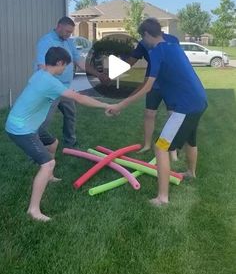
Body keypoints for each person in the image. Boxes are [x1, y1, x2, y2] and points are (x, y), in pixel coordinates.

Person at [107, 18, 207, 206]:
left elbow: (147, 87)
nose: (142, 41)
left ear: (146, 34)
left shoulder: (156, 52)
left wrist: (121, 105)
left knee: (160, 147)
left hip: (185, 106)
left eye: (141, 37)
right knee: (190, 139)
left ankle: (162, 198)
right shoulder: (173, 45)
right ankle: (191, 173)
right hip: (199, 100)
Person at [5, 47, 112, 222]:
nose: (65, 70)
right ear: (60, 63)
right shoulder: (49, 81)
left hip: (28, 124)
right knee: (47, 163)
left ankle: (49, 176)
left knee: (53, 143)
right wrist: (105, 105)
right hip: (21, 129)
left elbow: (68, 93)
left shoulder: (41, 73)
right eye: (66, 67)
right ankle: (33, 210)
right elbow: (78, 99)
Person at [35, 16, 108, 148]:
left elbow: (79, 61)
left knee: (71, 114)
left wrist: (98, 74)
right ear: (59, 26)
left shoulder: (68, 42)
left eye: (71, 32)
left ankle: (70, 142)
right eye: (67, 31)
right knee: (43, 121)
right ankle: (36, 148)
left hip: (66, 88)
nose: (69, 35)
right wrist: (52, 86)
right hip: (50, 89)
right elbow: (42, 67)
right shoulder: (46, 41)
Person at [126, 30, 179, 161]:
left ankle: (172, 149)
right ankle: (147, 145)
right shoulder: (143, 43)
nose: (143, 39)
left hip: (170, 83)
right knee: (149, 113)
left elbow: (178, 59)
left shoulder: (172, 39)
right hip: (153, 82)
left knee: (172, 115)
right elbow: (131, 61)